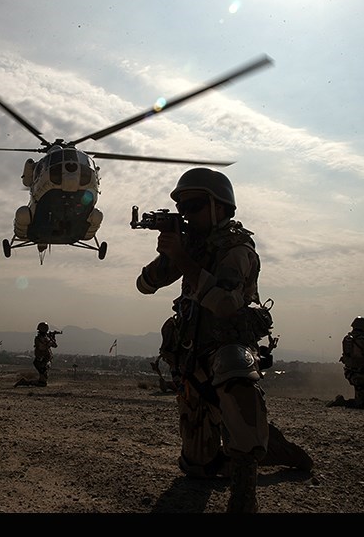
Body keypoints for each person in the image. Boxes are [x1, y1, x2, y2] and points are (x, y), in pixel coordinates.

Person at [135, 167, 271, 513]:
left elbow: (225, 304)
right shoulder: (193, 246)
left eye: (193, 206)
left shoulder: (237, 249)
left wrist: (182, 258)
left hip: (228, 347)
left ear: (219, 207)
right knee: (198, 467)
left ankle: (245, 486)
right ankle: (247, 444)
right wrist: (169, 254)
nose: (186, 214)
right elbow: (145, 285)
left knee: (235, 367)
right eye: (182, 208)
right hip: (194, 355)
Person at [328, 316, 364, 409]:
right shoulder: (363, 340)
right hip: (361, 373)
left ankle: (349, 401)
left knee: (360, 395)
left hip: (350, 371)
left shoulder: (347, 338)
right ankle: (342, 402)